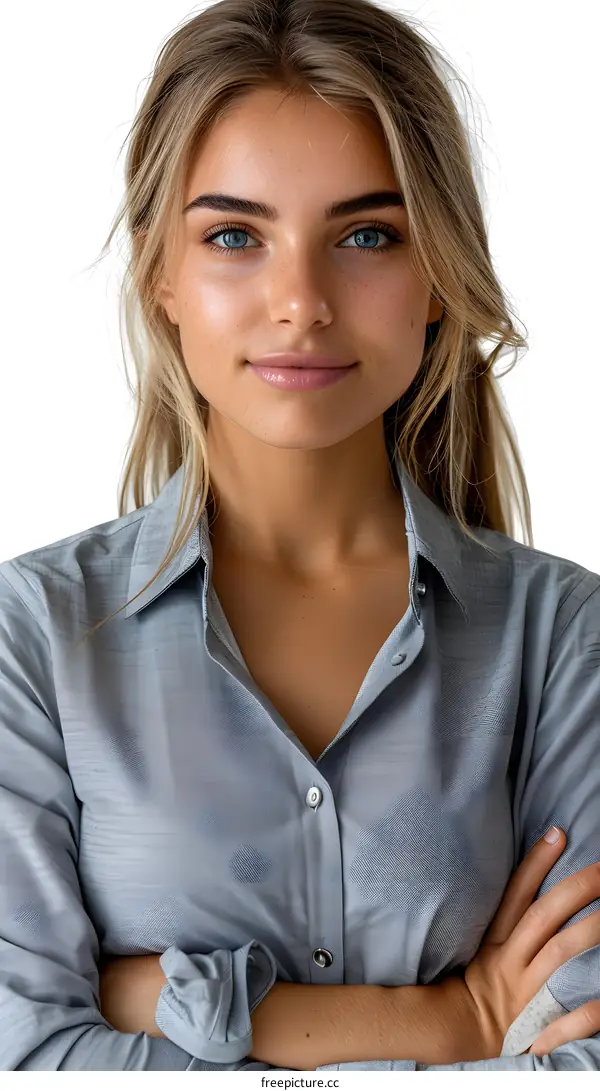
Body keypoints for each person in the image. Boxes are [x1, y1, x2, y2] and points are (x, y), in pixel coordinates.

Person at [1, 0, 599, 1072]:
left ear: (437, 275)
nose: (301, 301)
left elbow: (578, 1056)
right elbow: (29, 1054)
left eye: (366, 235)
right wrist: (442, 1024)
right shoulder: (31, 639)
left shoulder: (563, 639)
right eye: (235, 235)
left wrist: (155, 996)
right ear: (160, 277)